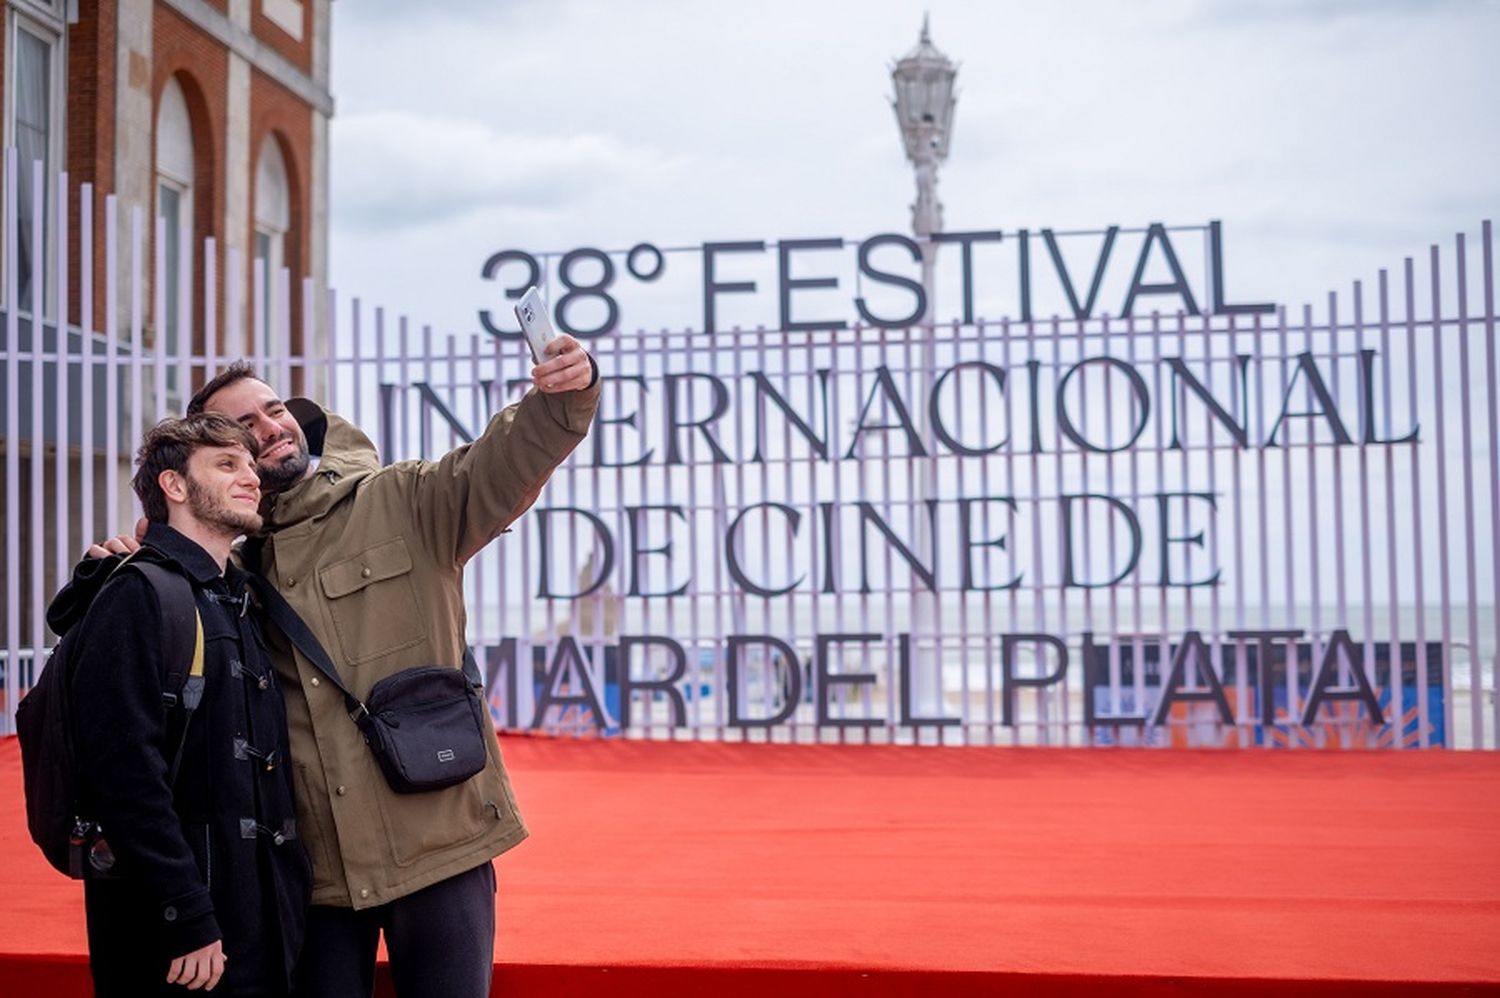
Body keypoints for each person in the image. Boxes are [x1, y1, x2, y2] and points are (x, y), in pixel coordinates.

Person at [88, 336, 600, 997]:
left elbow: (507, 460)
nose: (270, 428)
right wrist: (140, 553)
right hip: (314, 873)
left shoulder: (407, 499)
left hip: (439, 846)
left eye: (274, 409)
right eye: (244, 429)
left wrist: (565, 393)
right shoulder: (225, 569)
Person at [55, 413, 310, 996]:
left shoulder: (233, 596)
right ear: (174, 486)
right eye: (227, 464)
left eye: (250, 464)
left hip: (257, 923)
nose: (251, 477)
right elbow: (124, 778)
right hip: (181, 940)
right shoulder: (135, 594)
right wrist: (185, 913)